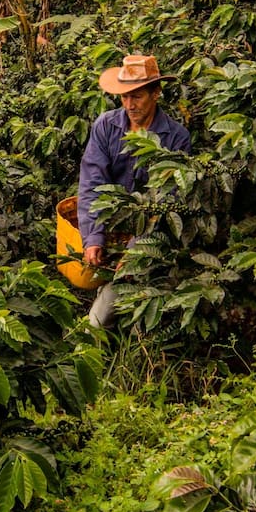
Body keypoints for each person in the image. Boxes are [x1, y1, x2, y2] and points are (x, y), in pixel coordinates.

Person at [78, 55, 191, 326]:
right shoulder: (106, 126)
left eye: (137, 97)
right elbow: (92, 181)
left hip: (151, 233)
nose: (130, 105)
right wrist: (93, 237)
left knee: (104, 314)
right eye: (125, 97)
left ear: (156, 93)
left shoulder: (176, 138)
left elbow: (169, 199)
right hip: (112, 226)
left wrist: (136, 250)